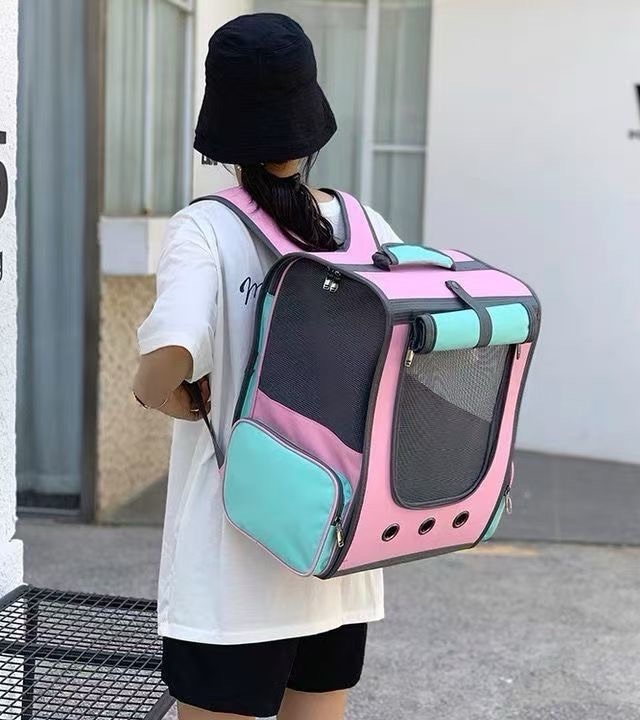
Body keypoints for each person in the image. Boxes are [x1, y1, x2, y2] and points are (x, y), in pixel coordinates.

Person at [133, 13, 404, 720]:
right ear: (309, 123)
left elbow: (166, 359)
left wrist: (169, 397)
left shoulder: (206, 228)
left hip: (232, 569)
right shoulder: (367, 227)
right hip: (336, 553)